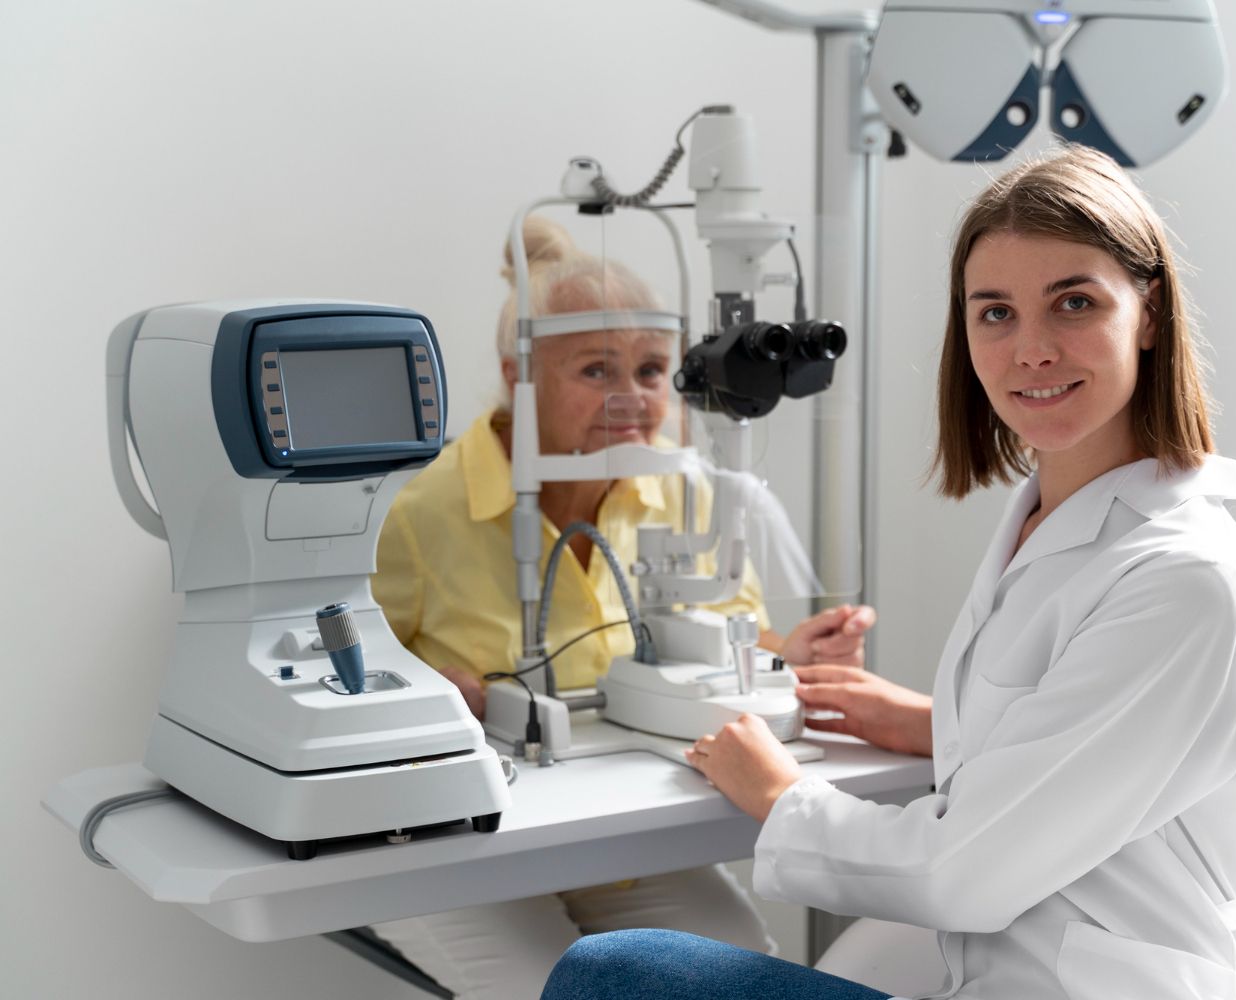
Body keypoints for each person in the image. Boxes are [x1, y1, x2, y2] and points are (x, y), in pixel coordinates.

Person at [538, 145, 1236, 1000]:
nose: (1031, 349)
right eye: (995, 313)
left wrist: (783, 796)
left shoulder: (1182, 576)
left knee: (617, 976)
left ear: (1148, 313)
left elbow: (964, 871)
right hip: (997, 980)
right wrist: (941, 727)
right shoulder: (1051, 521)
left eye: (1073, 302)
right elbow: (1093, 747)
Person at [368, 214, 876, 1000]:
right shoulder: (421, 509)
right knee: (545, 985)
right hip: (447, 848)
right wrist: (431, 690)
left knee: (735, 964)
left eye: (650, 371)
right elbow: (344, 679)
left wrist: (793, 653)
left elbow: (726, 629)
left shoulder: (675, 488)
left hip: (610, 833)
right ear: (517, 377)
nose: (633, 398)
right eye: (597, 371)